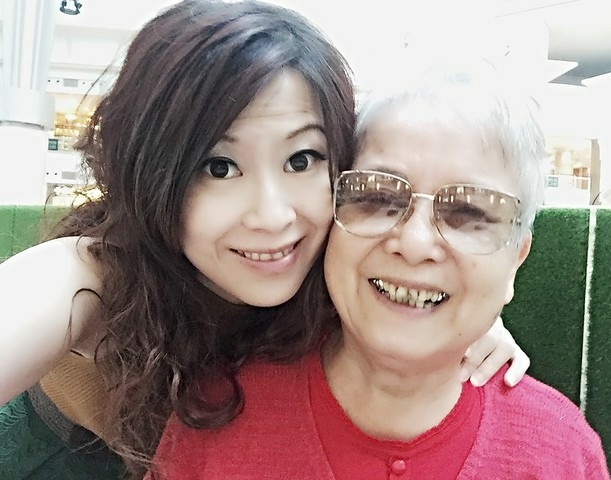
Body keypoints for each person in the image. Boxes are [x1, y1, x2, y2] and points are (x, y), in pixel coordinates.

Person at [0, 2, 529, 479]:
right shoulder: (91, 276)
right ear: (152, 174)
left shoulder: (339, 263)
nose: (274, 216)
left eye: (302, 159)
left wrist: (457, 319)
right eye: (219, 167)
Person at [148, 58, 610, 479]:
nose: (414, 244)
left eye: (468, 212)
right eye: (378, 197)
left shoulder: (562, 455)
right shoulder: (215, 416)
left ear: (515, 260)